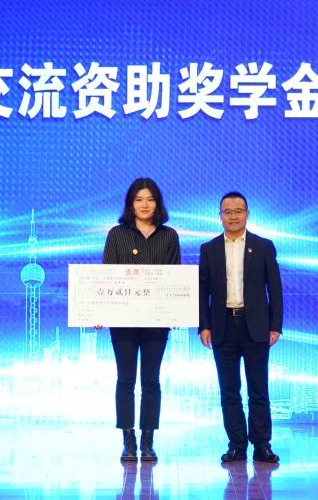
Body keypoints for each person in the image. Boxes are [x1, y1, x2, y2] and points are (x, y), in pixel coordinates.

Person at [198, 191, 283, 463]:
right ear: (220, 216)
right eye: (227, 212)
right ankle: (236, 444)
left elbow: (275, 288)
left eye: (238, 211)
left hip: (255, 325)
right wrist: (204, 326)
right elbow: (202, 291)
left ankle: (262, 444)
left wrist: (276, 325)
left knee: (258, 389)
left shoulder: (263, 246)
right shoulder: (209, 249)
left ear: (247, 214)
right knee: (229, 390)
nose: (233, 216)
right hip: (222, 326)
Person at [100, 177, 181, 462]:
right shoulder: (117, 234)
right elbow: (107, 277)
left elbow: (174, 277)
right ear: (130, 204)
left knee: (151, 381)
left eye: (150, 199)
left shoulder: (169, 236)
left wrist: (176, 310)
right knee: (125, 380)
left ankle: (148, 441)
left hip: (156, 322)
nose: (144, 205)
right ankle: (128, 440)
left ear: (157, 203)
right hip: (123, 322)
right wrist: (98, 310)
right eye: (139, 200)